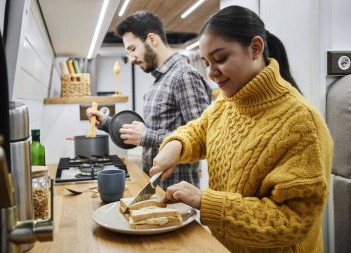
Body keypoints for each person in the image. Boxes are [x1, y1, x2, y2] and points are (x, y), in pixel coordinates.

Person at [149, 5, 333, 253]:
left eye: (221, 59)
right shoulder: (229, 100)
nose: (212, 73)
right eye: (206, 62)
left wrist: (206, 201)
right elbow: (201, 129)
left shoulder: (302, 123)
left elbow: (292, 221)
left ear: (255, 48)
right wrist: (176, 145)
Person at [87, 11, 212, 190]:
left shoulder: (184, 76)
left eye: (132, 49)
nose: (131, 59)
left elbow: (204, 139)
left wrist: (147, 136)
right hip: (156, 189)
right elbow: (148, 132)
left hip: (177, 195)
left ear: (152, 39)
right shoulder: (158, 81)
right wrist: (106, 123)